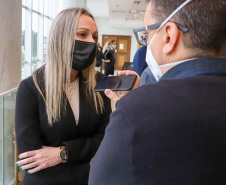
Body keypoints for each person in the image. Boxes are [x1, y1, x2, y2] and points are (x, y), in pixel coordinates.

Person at [89, 0, 226, 184]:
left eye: (147, 35)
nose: (146, 44)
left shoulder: (133, 112)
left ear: (169, 36)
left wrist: (138, 105)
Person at [15, 8, 111, 185]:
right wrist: (88, 163)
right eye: (82, 34)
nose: (92, 42)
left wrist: (62, 154)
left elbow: (105, 140)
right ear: (61, 38)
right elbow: (31, 160)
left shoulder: (99, 83)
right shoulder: (31, 88)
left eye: (95, 36)